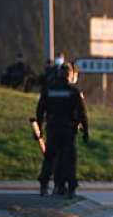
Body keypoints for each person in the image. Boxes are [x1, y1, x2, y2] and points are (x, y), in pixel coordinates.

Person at [36, 62, 89, 197]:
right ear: (70, 75)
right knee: (69, 159)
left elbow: (40, 110)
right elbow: (82, 113)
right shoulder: (73, 92)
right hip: (68, 130)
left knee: (50, 157)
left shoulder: (49, 90)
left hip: (53, 128)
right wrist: (85, 131)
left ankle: (44, 185)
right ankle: (69, 187)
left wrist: (40, 128)